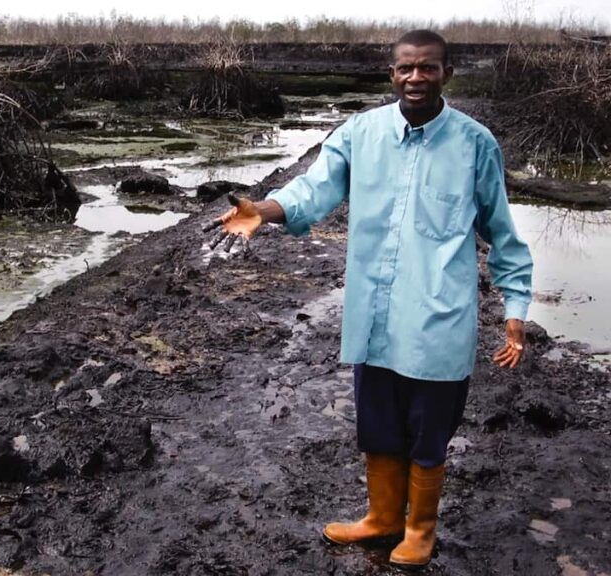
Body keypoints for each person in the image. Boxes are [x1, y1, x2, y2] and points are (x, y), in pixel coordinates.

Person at [205, 30, 533, 568]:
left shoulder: (476, 144)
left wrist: (515, 314)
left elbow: (502, 233)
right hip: (374, 315)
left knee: (428, 433)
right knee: (378, 425)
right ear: (392, 73)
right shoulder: (360, 132)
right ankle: (382, 519)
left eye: (428, 68)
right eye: (406, 68)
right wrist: (264, 209)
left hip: (438, 318)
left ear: (447, 73)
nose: (415, 78)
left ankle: (419, 529)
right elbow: (314, 188)